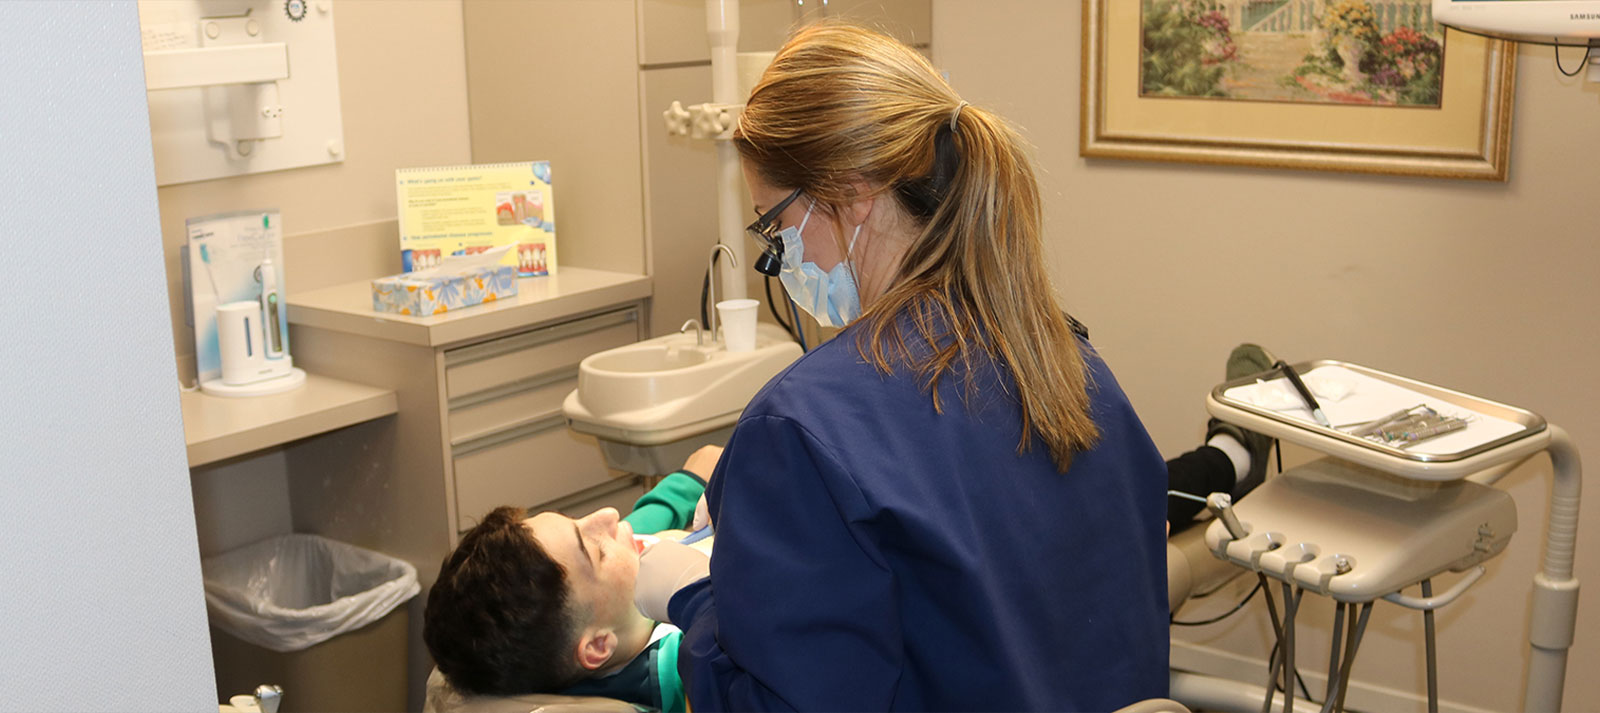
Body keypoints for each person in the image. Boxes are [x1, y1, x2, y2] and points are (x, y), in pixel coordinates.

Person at [629, 23, 1184, 712]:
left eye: (774, 225)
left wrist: (697, 598)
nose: (780, 256)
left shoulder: (801, 430)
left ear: (851, 193)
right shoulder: (1073, 368)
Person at [422, 446, 722, 713]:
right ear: (598, 645)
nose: (607, 515)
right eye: (597, 550)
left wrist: (687, 483)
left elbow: (627, 533)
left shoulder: (603, 592)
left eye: (576, 521)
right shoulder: (684, 674)